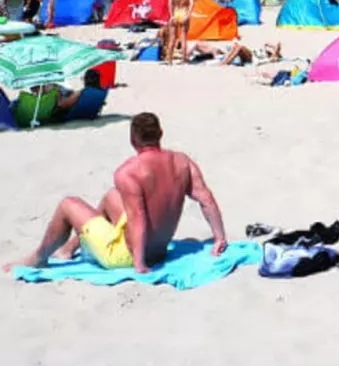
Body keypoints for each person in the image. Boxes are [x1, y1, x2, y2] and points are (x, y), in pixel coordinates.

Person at [6, 112, 227, 273]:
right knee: (112, 196)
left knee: (68, 203)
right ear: (160, 134)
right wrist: (219, 238)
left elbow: (138, 219)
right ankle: (69, 247)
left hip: (126, 256)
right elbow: (206, 199)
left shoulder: (129, 172)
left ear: (132, 140)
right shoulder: (182, 162)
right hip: (159, 250)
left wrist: (139, 264)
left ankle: (38, 257)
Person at [165, 0, 194, 64]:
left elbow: (170, 4)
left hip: (176, 13)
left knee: (172, 38)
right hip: (184, 13)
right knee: (183, 38)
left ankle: (169, 59)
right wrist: (188, 15)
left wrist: (171, 15)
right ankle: (183, 59)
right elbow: (191, 4)